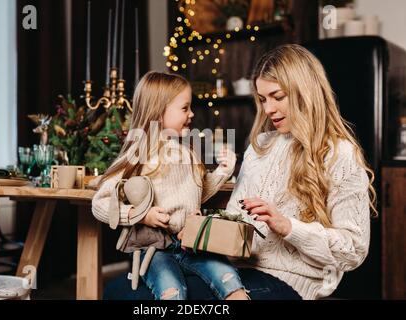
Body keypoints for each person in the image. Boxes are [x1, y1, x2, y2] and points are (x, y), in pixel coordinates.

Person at [103, 44, 376, 300]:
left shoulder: (340, 154)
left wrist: (287, 226)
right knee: (118, 289)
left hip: (289, 279)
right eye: (262, 99)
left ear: (305, 91)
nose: (268, 109)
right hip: (236, 267)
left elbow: (353, 250)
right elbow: (236, 219)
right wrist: (202, 228)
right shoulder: (261, 147)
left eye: (277, 97)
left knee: (139, 297)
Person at [92, 71, 248, 300]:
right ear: (158, 112)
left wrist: (224, 171)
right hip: (155, 250)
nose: (192, 114)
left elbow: (198, 192)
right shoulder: (138, 154)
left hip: (192, 242)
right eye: (185, 108)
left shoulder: (187, 152)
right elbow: (100, 203)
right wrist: (141, 215)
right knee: (171, 291)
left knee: (231, 281)